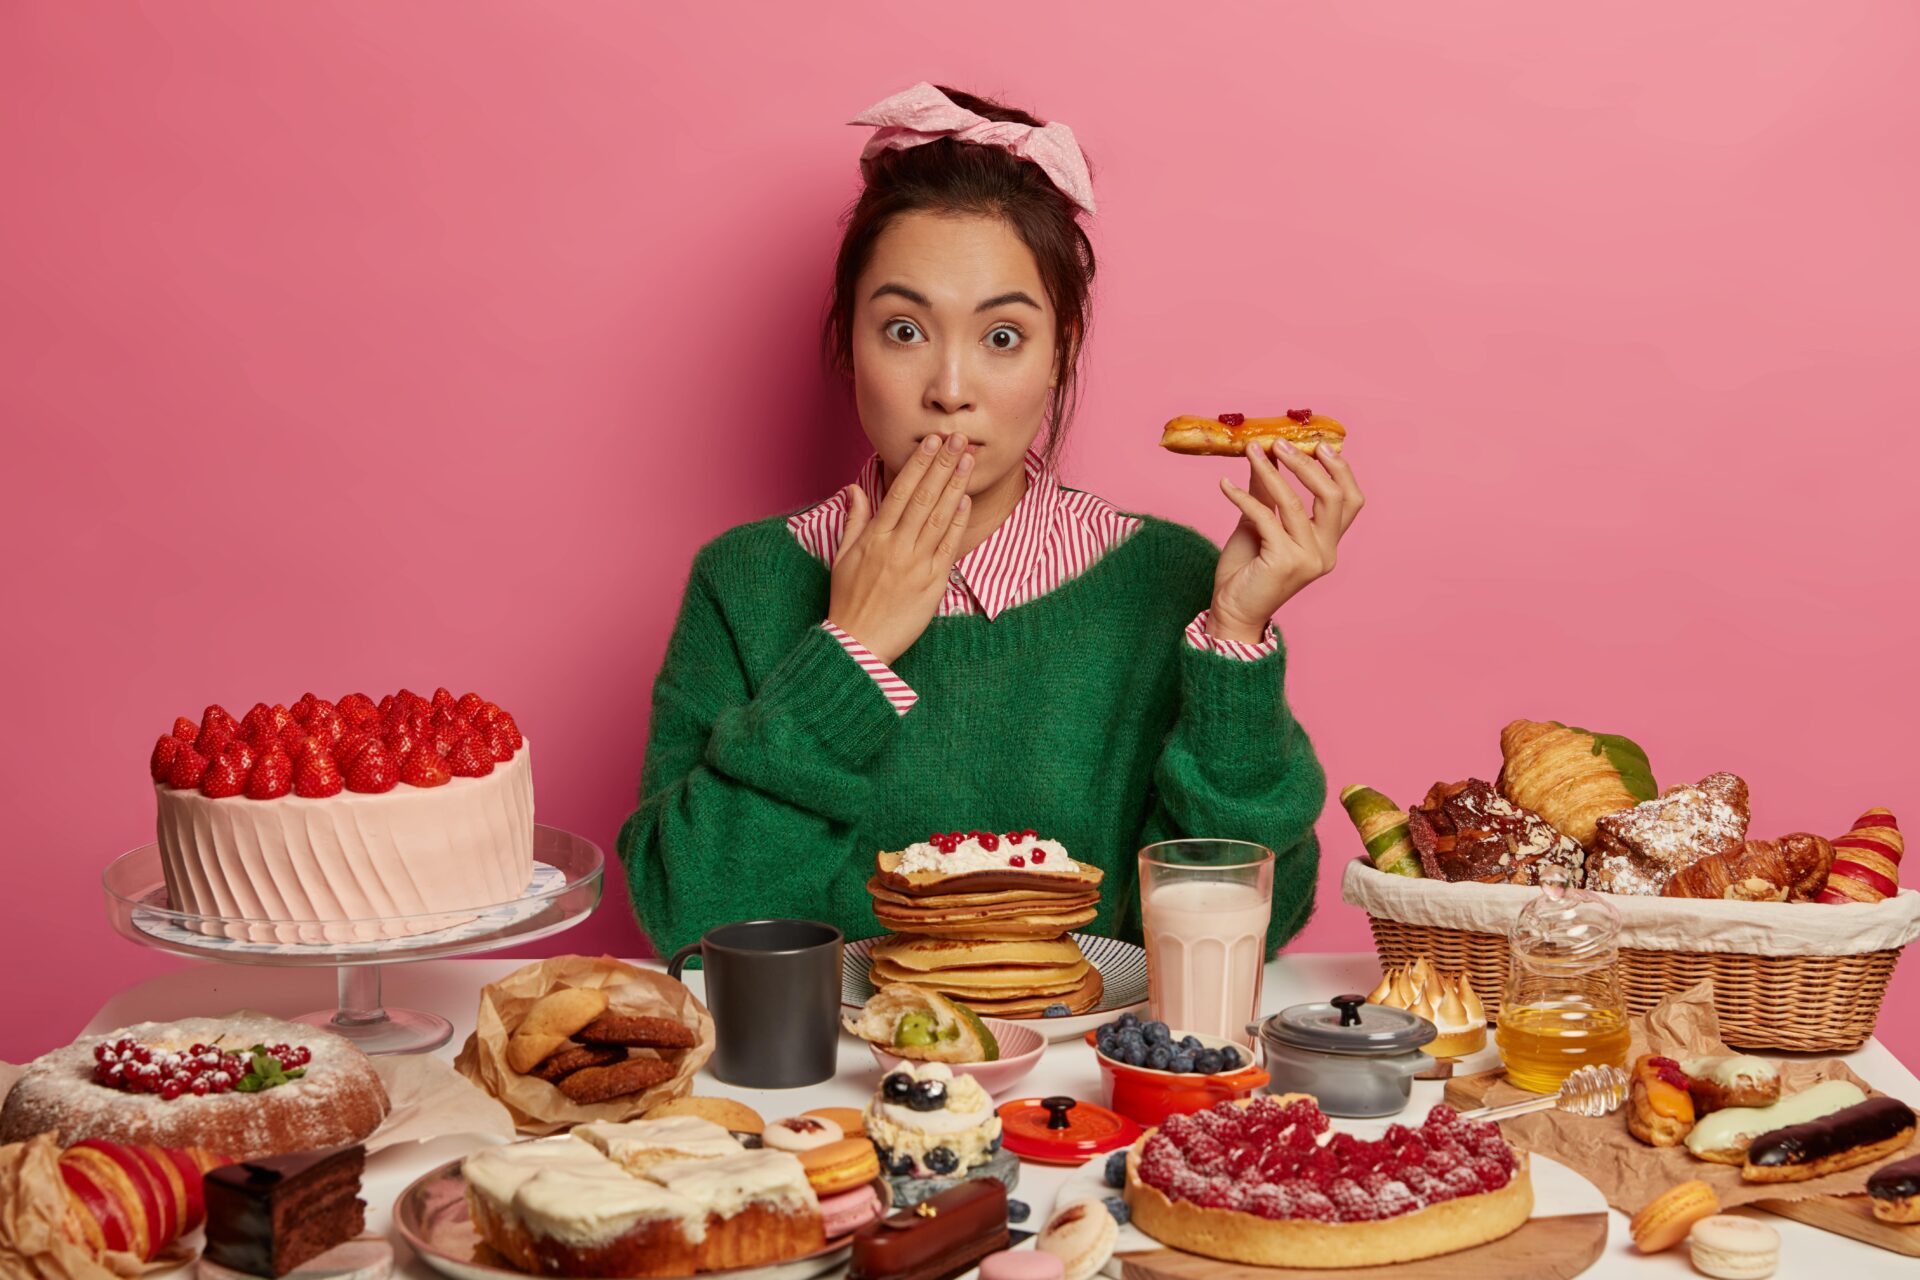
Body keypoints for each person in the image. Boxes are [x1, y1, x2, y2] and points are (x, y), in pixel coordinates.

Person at [619, 82, 1363, 963]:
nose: (950, 388)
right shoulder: (745, 580)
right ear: (845, 344)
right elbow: (693, 925)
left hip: (1085, 1086)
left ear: (1063, 354)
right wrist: (849, 651)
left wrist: (1236, 641)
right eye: (903, 330)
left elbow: (1249, 931)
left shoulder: (1168, 580)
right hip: (828, 1092)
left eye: (1002, 337)